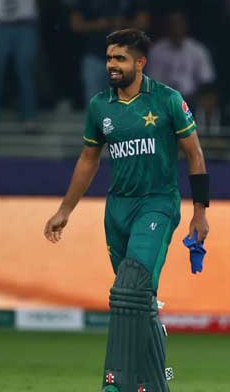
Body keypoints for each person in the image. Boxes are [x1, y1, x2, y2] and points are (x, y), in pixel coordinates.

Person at [43, 29, 209, 392]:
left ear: (140, 62)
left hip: (157, 205)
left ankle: (114, 381)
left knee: (129, 286)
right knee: (138, 300)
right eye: (108, 58)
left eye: (119, 59)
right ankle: (154, 384)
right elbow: (88, 160)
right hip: (117, 210)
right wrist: (65, 210)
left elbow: (195, 154)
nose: (111, 65)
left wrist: (200, 211)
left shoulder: (167, 100)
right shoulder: (100, 106)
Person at [70, 0, 150, 104]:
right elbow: (75, 24)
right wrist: (101, 24)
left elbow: (144, 22)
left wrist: (123, 24)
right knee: (96, 106)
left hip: (126, 57)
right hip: (95, 56)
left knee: (128, 106)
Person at [146, 10, 218, 133]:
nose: (176, 28)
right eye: (173, 24)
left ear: (185, 26)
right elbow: (152, 83)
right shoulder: (156, 51)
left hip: (192, 99)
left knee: (208, 100)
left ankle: (206, 139)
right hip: (164, 100)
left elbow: (207, 81)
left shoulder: (197, 50)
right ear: (167, 27)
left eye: (179, 24)